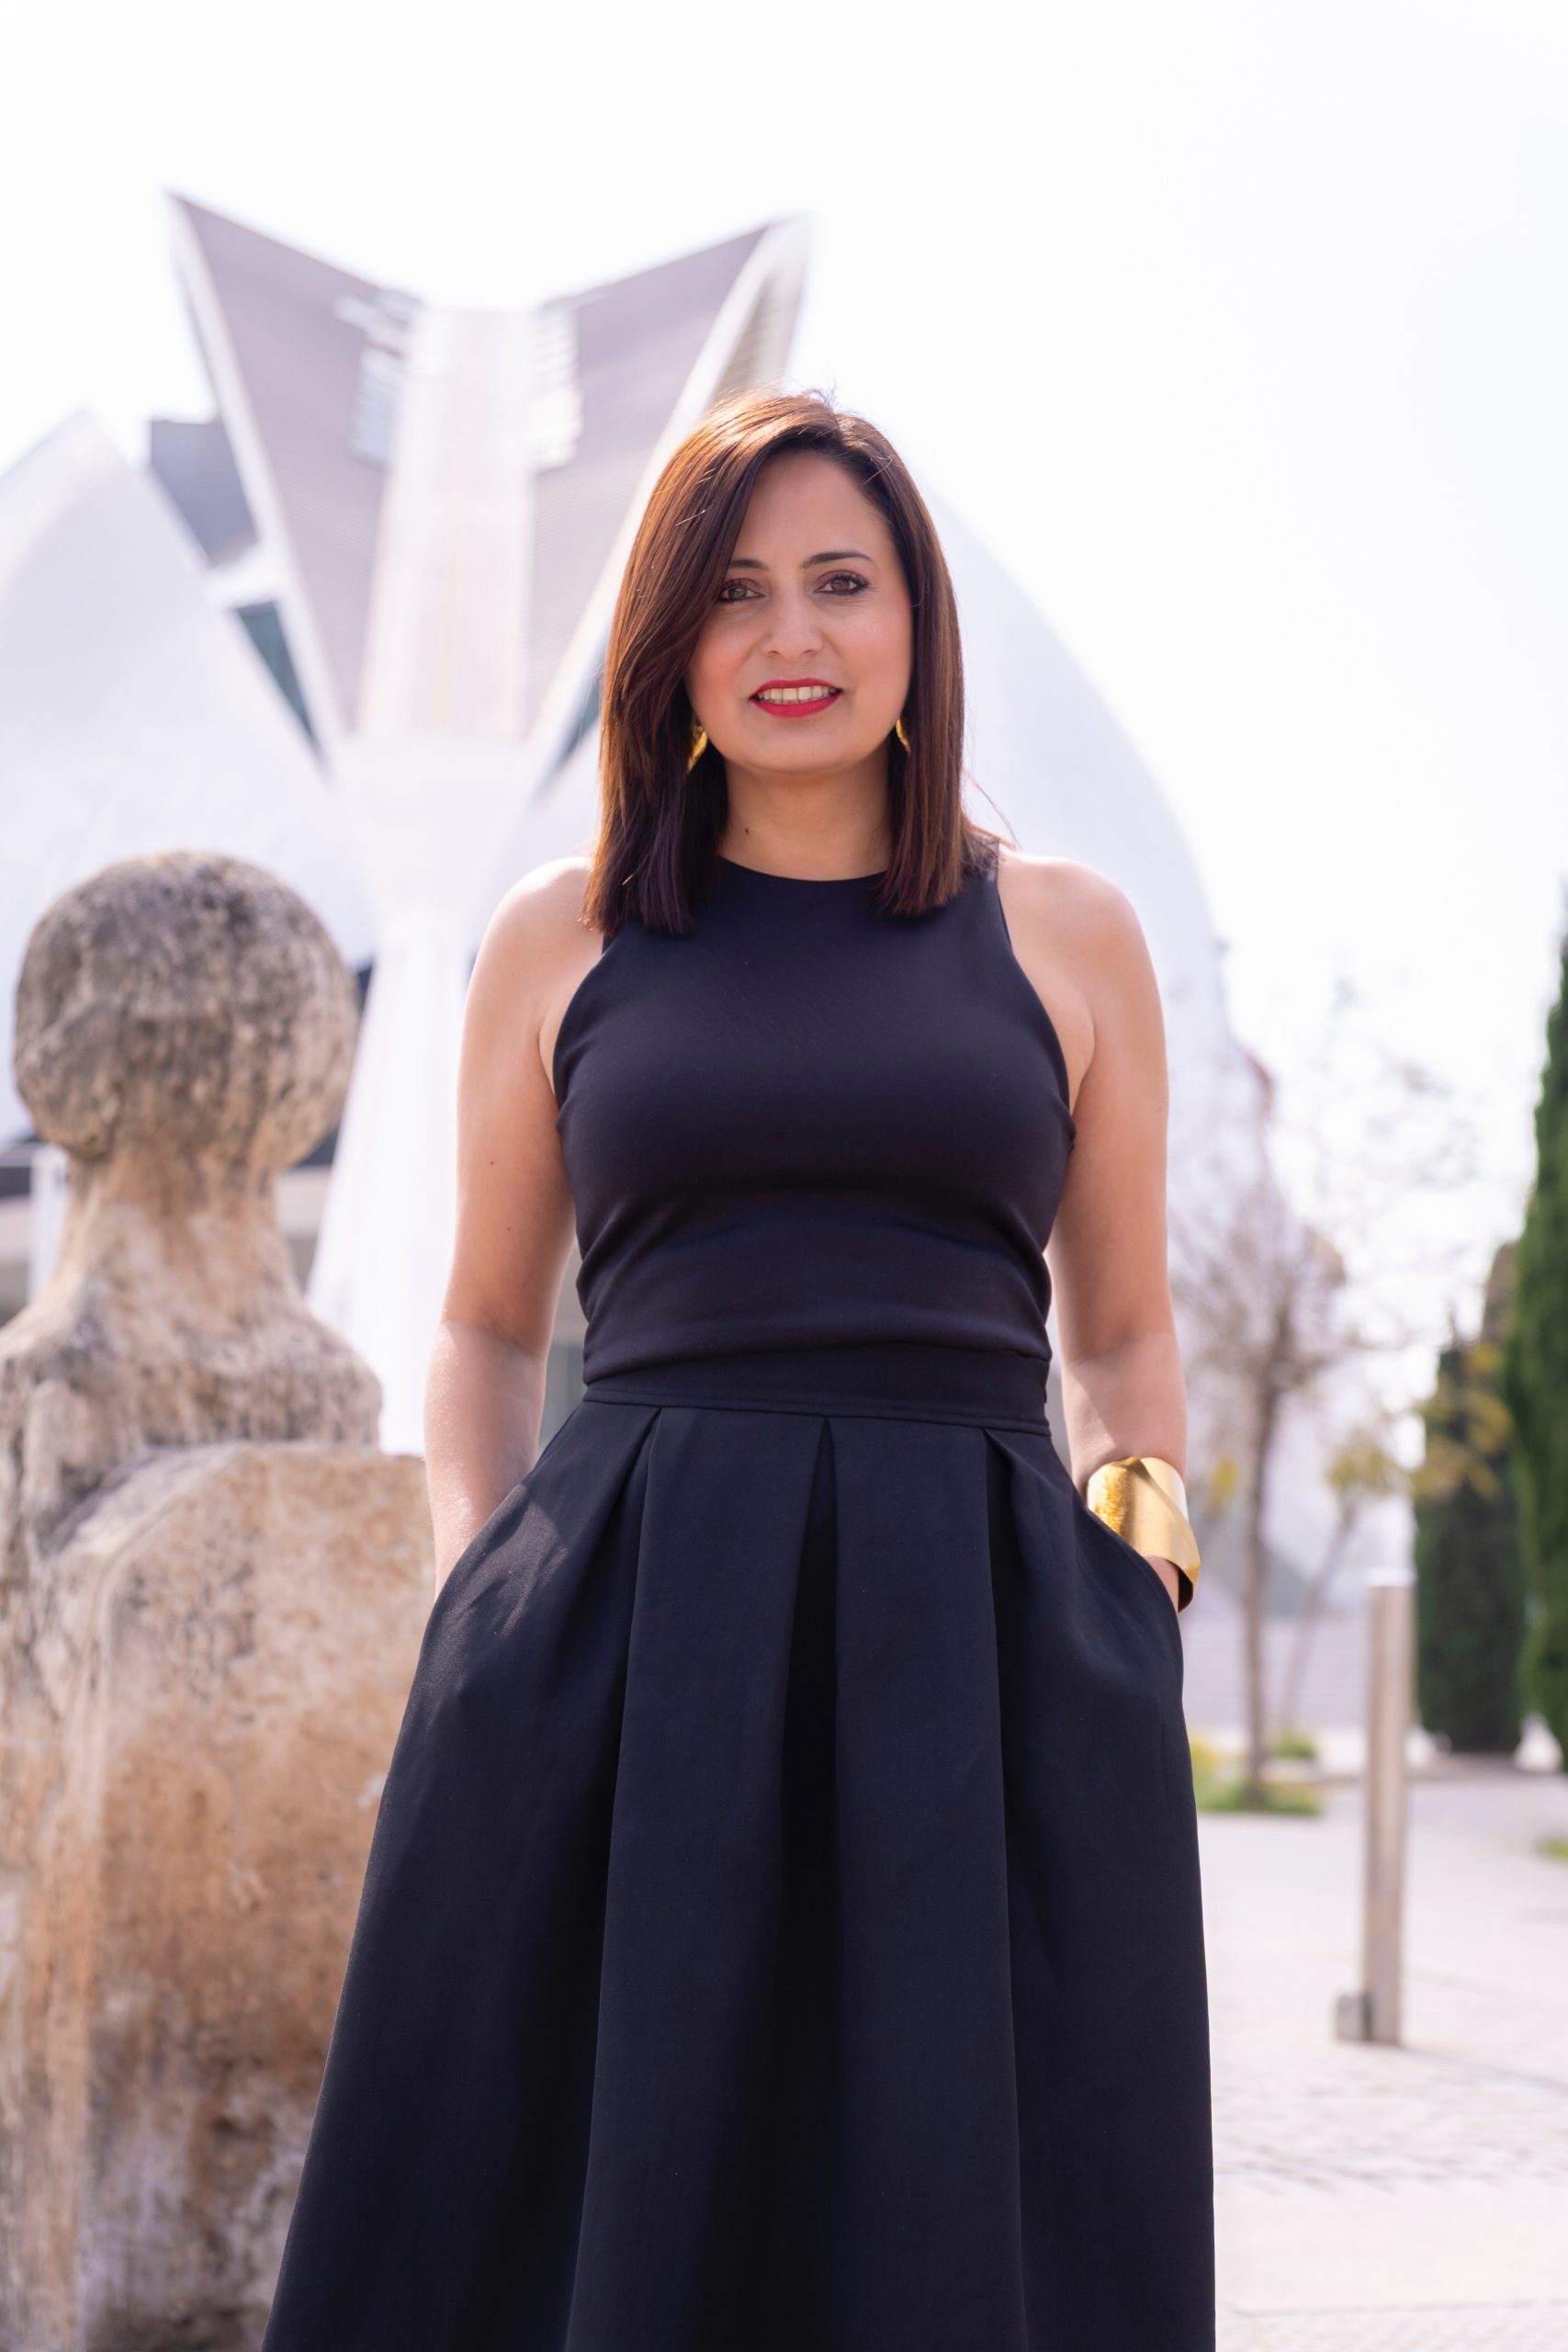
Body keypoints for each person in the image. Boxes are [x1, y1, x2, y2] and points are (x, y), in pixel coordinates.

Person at [260, 387, 1215, 2350]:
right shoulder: (561, 933)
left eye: (841, 583)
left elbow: (1121, 1326)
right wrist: (480, 1596)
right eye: (736, 589)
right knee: (609, 2195)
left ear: (917, 620)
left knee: (948, 2208)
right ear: (669, 638)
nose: (792, 635)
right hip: (624, 1639)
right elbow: (481, 1323)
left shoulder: (1068, 932)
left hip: (983, 1641)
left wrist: (1141, 1581)